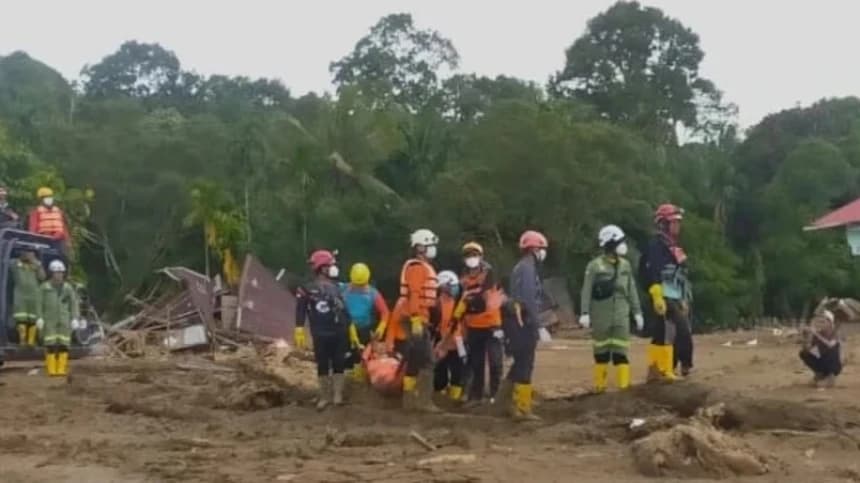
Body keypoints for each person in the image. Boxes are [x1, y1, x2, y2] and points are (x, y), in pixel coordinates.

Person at [579, 225, 644, 392]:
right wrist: (584, 312)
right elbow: (586, 290)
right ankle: (600, 388)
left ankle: (624, 389)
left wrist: (637, 312)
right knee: (601, 354)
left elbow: (631, 289)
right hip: (601, 315)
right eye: (619, 242)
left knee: (621, 353)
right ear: (610, 244)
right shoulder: (594, 266)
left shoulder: (626, 266)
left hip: (621, 314)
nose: (623, 245)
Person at [385, 228, 441, 412]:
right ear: (420, 247)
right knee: (426, 360)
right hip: (414, 317)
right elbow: (415, 294)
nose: (433, 248)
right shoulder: (417, 268)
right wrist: (416, 318)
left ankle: (412, 400)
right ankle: (421, 401)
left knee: (417, 359)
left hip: (415, 317)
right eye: (430, 245)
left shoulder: (419, 266)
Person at [640, 203, 692, 381]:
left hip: (676, 294)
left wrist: (684, 297)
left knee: (667, 332)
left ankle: (662, 369)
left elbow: (682, 274)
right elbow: (650, 271)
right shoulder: (655, 245)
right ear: (663, 224)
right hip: (662, 294)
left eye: (678, 222)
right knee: (676, 329)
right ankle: (664, 369)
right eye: (674, 222)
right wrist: (656, 294)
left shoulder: (673, 245)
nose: (677, 226)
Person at [502, 230, 548, 421]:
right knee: (525, 363)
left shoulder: (522, 267)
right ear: (535, 249)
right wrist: (539, 325)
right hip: (523, 320)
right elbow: (529, 298)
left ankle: (505, 402)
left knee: (521, 362)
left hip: (517, 319)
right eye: (542, 249)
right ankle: (522, 407)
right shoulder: (528, 268)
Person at [294, 249, 349, 410]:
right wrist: (299, 328)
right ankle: (325, 396)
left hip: (338, 331)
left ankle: (337, 396)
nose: (333, 268)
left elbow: (345, 311)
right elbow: (301, 309)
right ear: (322, 268)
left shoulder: (338, 287)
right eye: (330, 265)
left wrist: (349, 328)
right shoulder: (306, 288)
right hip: (319, 332)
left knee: (339, 362)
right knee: (322, 364)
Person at [456, 241, 505, 406]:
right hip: (473, 325)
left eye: (474, 255)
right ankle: (475, 396)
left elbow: (483, 299)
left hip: (492, 323)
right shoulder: (462, 277)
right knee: (476, 363)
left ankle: (495, 395)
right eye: (468, 255)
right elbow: (463, 299)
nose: (472, 258)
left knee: (495, 361)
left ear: (481, 257)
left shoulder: (489, 273)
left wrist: (468, 302)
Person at [341, 262, 390, 382]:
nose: (359, 287)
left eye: (361, 285)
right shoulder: (343, 289)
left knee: (362, 352)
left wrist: (381, 328)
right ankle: (344, 375)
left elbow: (385, 312)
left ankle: (361, 375)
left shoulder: (373, 293)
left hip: (364, 328)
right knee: (345, 352)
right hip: (346, 327)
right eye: (356, 285)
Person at [37, 259, 80, 377]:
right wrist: (39, 317)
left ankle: (61, 369)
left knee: (63, 345)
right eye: (57, 272)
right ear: (51, 273)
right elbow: (38, 303)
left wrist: (75, 318)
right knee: (50, 345)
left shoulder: (68, 288)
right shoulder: (44, 287)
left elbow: (74, 304)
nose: (59, 275)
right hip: (49, 320)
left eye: (61, 272)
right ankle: (51, 369)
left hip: (64, 321)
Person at [432, 270, 466, 401]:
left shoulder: (459, 302)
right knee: (440, 372)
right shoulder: (436, 304)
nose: (455, 289)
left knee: (459, 369)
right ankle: (439, 394)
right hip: (442, 342)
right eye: (452, 286)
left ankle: (455, 397)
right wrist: (441, 345)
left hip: (458, 341)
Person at [12, 248, 46, 347]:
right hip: (20, 296)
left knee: (33, 319)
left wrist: (36, 262)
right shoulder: (15, 263)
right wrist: (22, 257)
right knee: (21, 318)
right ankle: (22, 341)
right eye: (26, 253)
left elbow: (42, 277)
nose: (27, 255)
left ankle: (31, 341)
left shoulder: (36, 265)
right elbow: (11, 264)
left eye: (30, 253)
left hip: (34, 296)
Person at [799, 310, 841, 388]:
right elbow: (810, 350)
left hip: (833, 365)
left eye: (822, 322)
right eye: (819, 322)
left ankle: (830, 376)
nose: (820, 324)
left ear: (830, 323)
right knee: (804, 353)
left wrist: (816, 334)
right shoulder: (818, 334)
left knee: (832, 350)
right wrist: (806, 337)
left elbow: (830, 345)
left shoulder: (834, 333)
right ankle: (820, 373)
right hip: (823, 360)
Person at [28, 187, 71, 255]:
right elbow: (33, 228)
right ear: (40, 200)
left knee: (62, 258)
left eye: (50, 196)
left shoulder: (58, 211)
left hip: (59, 240)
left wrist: (68, 241)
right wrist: (33, 241)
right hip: (43, 239)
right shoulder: (36, 211)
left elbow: (64, 227)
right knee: (45, 258)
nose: (48, 199)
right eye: (45, 197)